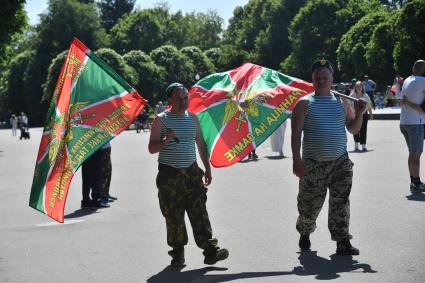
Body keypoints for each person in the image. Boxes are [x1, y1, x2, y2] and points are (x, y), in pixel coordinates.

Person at [148, 82, 228, 267]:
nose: (183, 102)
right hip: (170, 176)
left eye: (185, 98)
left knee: (199, 211)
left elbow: (200, 144)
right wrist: (166, 140)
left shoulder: (192, 118)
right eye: (178, 99)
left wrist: (207, 168)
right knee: (174, 215)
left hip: (192, 173)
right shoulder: (161, 120)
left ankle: (210, 250)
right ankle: (178, 253)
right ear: (170, 100)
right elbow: (152, 148)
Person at [291, 59, 366, 255]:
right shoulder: (304, 104)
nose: (322, 80)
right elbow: (296, 134)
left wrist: (359, 113)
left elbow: (352, 129)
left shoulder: (343, 101)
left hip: (340, 163)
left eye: (325, 77)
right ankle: (305, 232)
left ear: (332, 78)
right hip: (312, 165)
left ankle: (342, 241)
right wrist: (296, 160)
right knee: (309, 206)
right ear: (313, 79)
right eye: (318, 78)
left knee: (340, 202)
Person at [399, 59, 425, 193]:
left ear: (413, 67)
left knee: (413, 154)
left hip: (404, 122)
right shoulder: (423, 82)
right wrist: (409, 103)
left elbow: (401, 101)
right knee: (416, 154)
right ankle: (415, 182)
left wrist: (407, 103)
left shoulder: (407, 79)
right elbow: (423, 110)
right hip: (416, 123)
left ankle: (415, 180)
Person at [350, 81, 373, 152]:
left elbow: (369, 105)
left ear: (362, 87)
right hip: (355, 115)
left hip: (364, 114)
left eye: (360, 86)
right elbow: (349, 105)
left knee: (363, 129)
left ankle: (363, 146)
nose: (358, 88)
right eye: (357, 86)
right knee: (356, 130)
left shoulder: (365, 95)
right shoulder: (352, 96)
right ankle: (356, 146)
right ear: (355, 87)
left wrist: (371, 114)